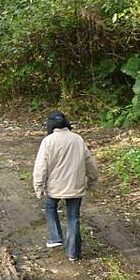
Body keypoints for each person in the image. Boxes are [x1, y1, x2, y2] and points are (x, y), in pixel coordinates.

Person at [33, 111, 99, 261]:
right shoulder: (77, 139)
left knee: (50, 207)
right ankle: (73, 253)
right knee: (73, 218)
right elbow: (89, 162)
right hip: (75, 186)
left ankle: (55, 237)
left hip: (54, 187)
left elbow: (41, 167)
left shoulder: (48, 141)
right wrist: (93, 180)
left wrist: (38, 187)